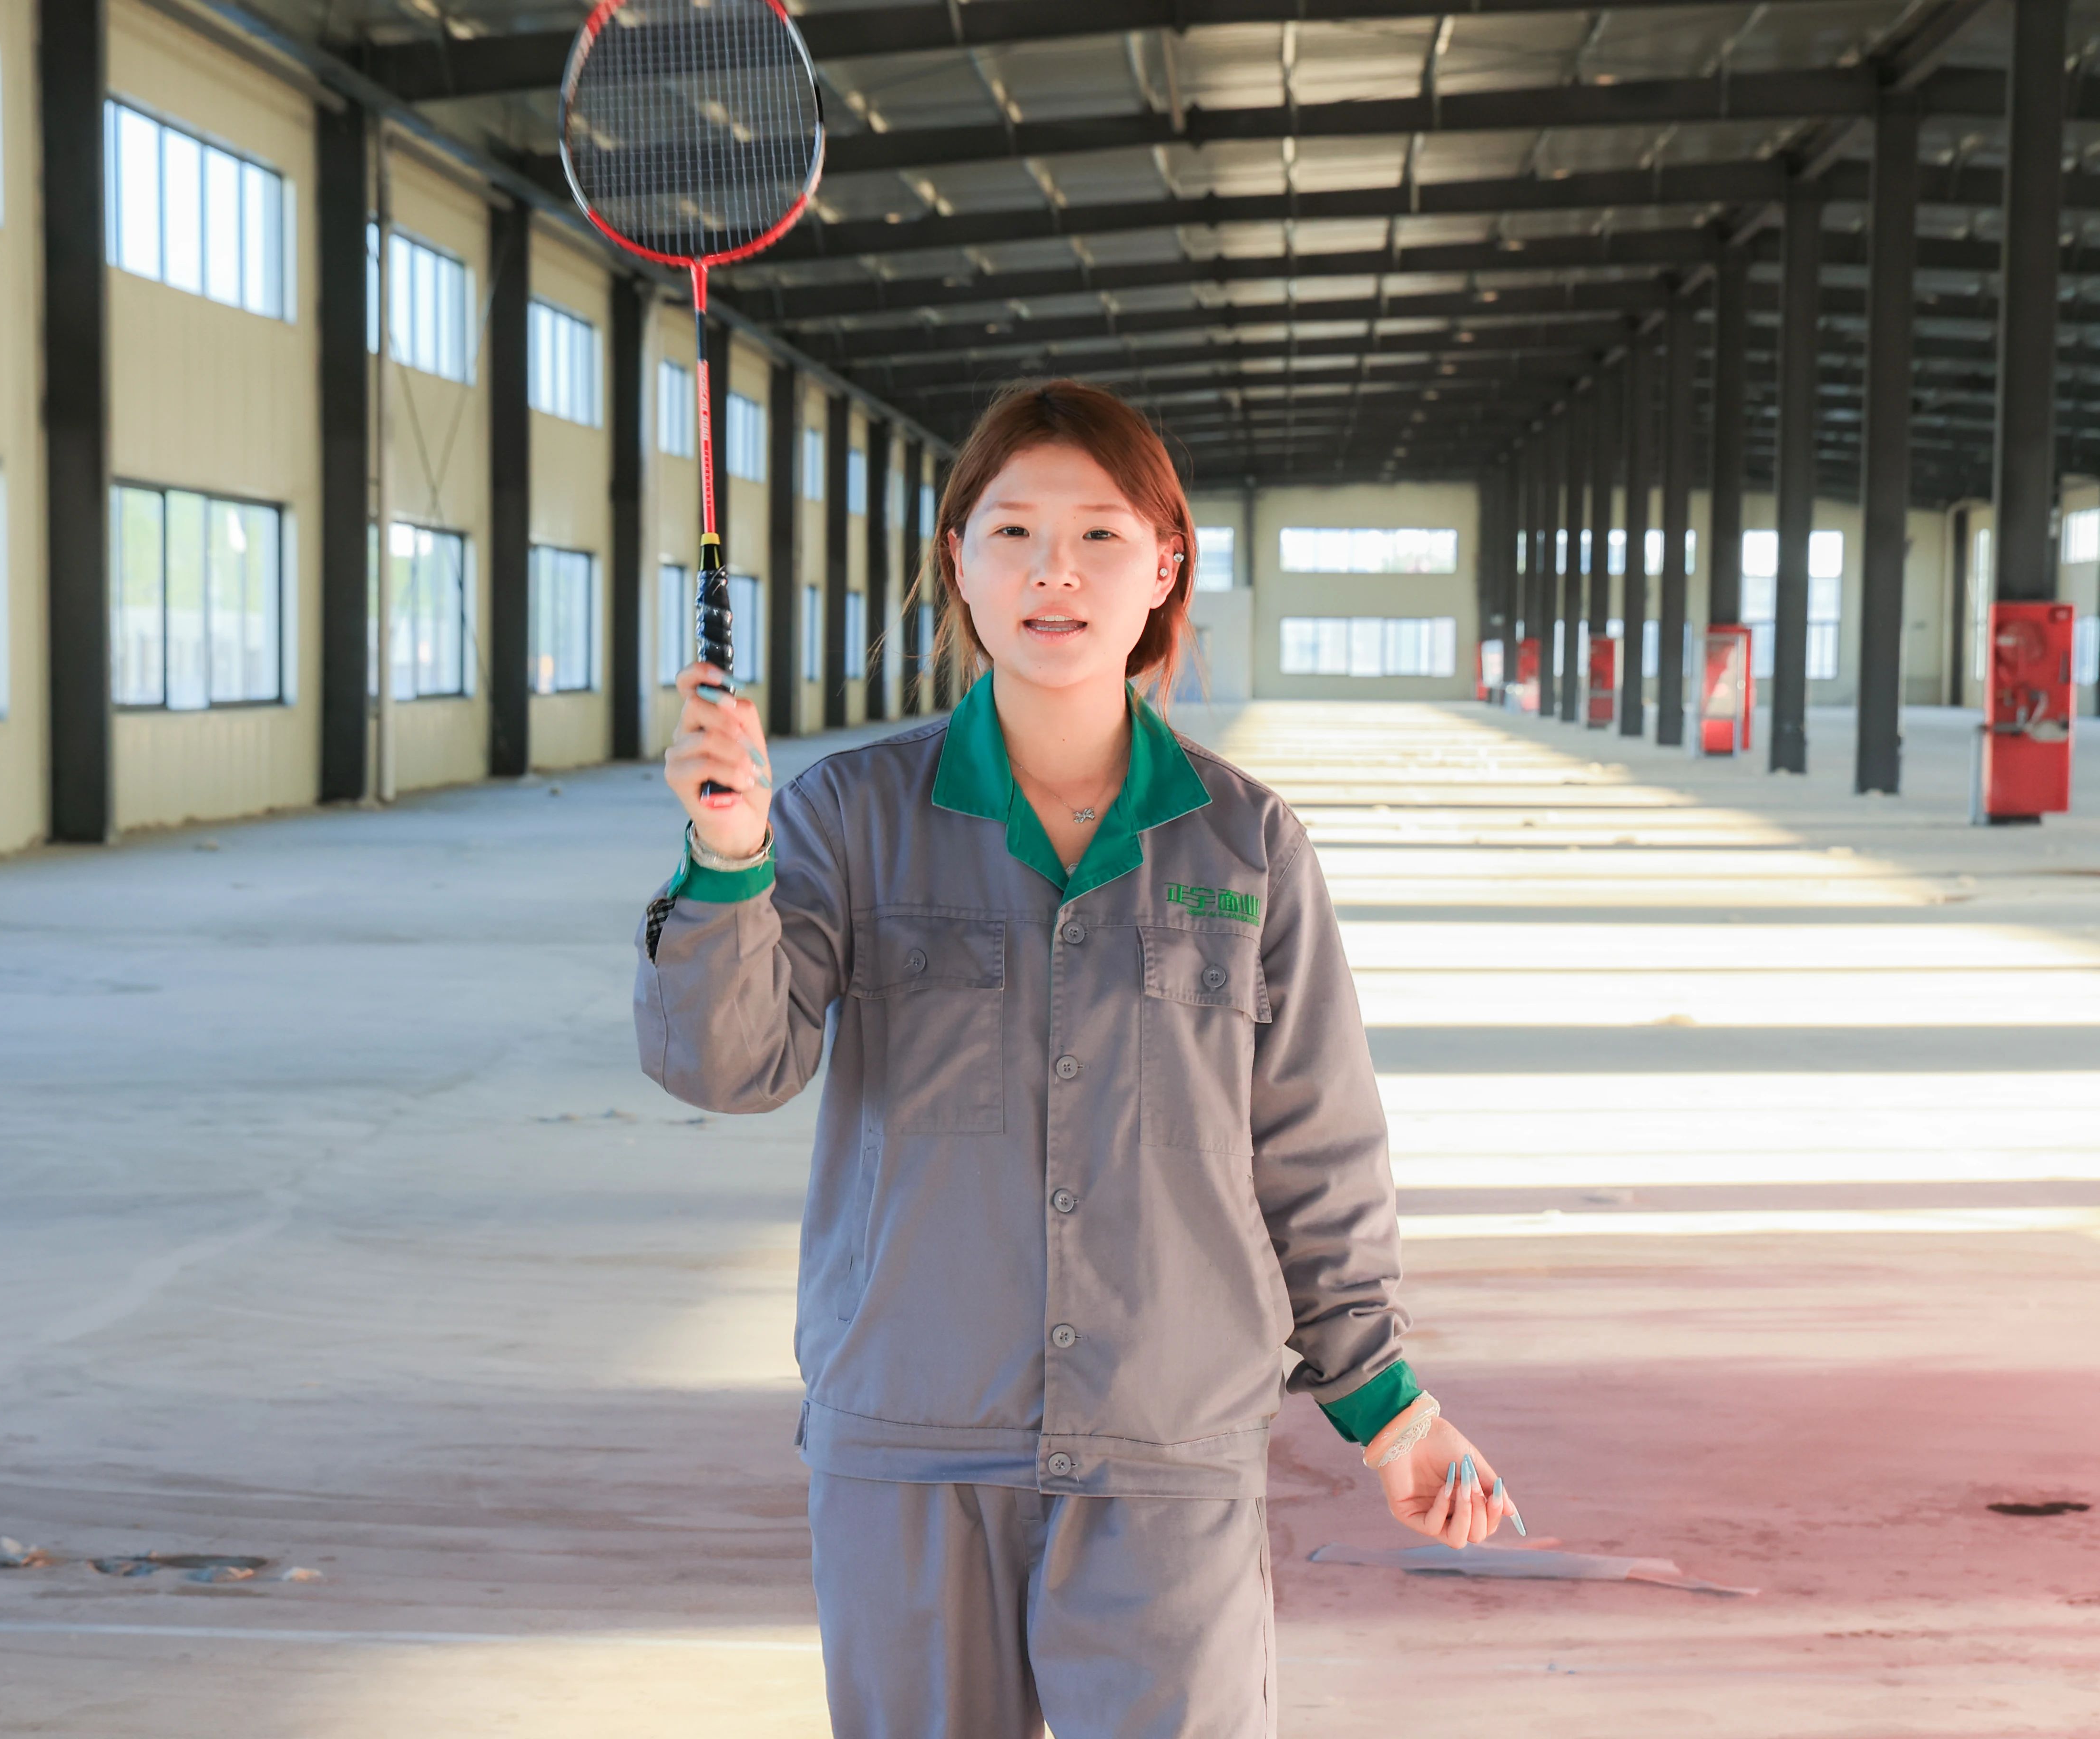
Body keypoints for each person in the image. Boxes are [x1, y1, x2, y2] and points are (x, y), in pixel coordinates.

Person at [634, 380, 1515, 1738]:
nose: (1056, 571)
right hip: (913, 1447)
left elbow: (1314, 1152)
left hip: (1168, 1449)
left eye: (1101, 534)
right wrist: (728, 855)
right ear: (960, 565)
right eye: (1014, 533)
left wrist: (1392, 1415)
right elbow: (728, 1065)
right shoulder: (848, 818)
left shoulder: (1245, 844)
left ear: (1164, 569)